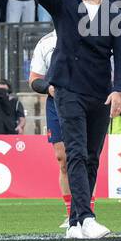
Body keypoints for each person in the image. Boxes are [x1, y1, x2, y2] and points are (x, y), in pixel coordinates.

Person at [13, 0, 121, 240]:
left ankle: (78, 222)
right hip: (67, 90)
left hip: (100, 93)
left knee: (93, 156)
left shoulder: (116, 12)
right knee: (76, 152)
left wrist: (120, 90)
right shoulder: (64, 3)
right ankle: (87, 217)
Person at [29, 30, 72, 230]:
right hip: (55, 103)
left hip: (82, 99)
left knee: (83, 157)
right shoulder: (45, 42)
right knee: (62, 158)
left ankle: (87, 213)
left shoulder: (88, 33)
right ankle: (71, 212)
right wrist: (48, 88)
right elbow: (34, 79)